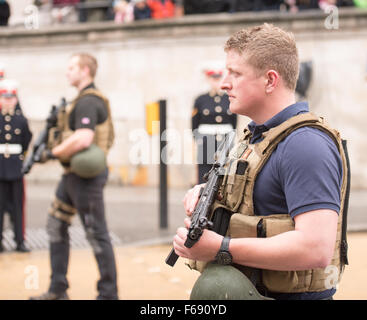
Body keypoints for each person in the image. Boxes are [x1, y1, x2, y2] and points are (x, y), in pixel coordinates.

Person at [173, 23, 349, 300]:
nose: (224, 83)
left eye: (235, 73)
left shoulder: (305, 144)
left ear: (269, 80)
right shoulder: (254, 137)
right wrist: (205, 195)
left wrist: (222, 247)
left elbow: (316, 248)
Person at [30, 53, 118, 300]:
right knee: (56, 224)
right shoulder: (81, 100)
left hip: (86, 179)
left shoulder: (88, 101)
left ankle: (108, 294)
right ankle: (58, 289)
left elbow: (84, 137)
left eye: (72, 67)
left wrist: (50, 153)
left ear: (85, 71)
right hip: (72, 176)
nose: (67, 72)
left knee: (96, 233)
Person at [0, 79, 33, 253]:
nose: (8, 101)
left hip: (15, 167)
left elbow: (26, 141)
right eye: (4, 97)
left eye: (11, 98)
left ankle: (20, 240)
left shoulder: (21, 120)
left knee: (18, 207)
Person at [191, 62, 237, 184]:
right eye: (213, 78)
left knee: (225, 172)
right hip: (206, 141)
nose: (215, 81)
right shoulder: (201, 100)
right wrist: (199, 141)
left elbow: (234, 123)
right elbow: (194, 125)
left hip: (225, 141)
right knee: (204, 173)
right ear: (208, 79)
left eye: (218, 78)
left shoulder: (228, 98)